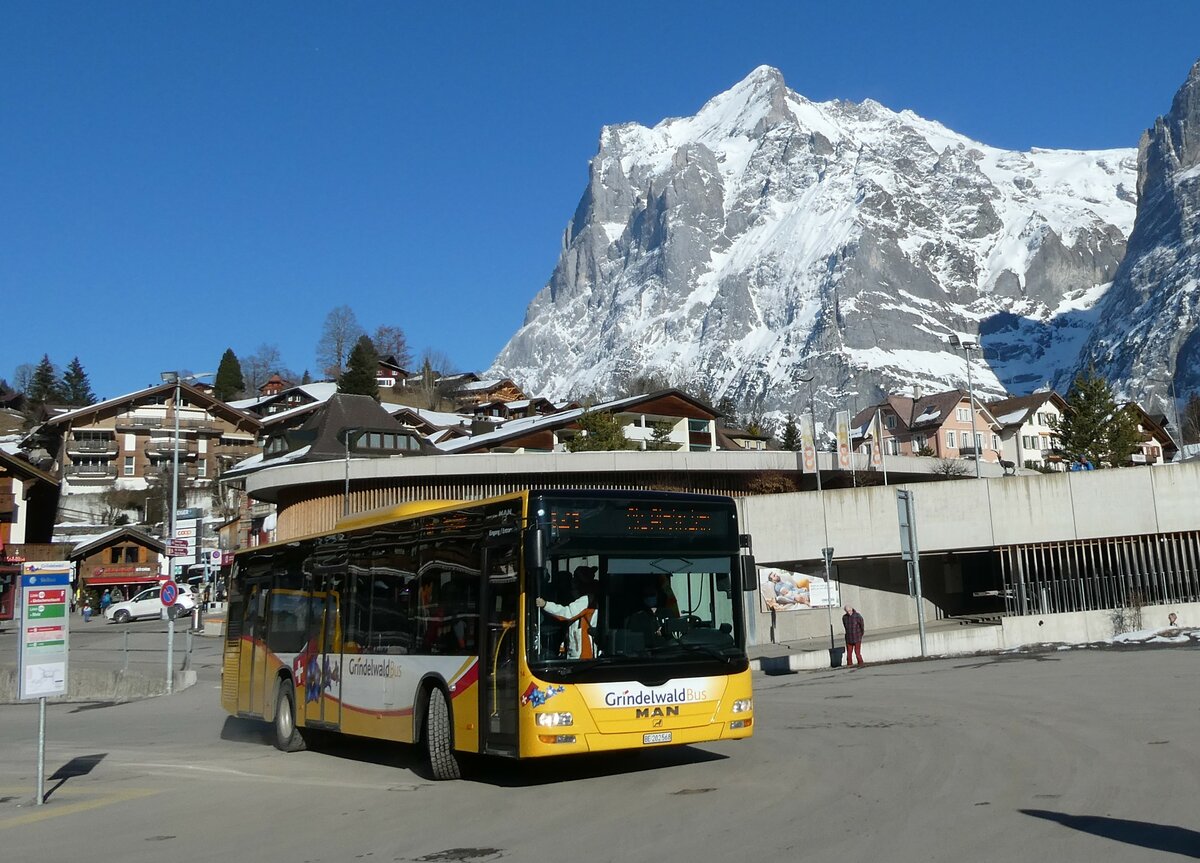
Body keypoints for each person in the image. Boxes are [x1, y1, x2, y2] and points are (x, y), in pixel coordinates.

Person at [536, 566, 598, 659]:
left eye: (575, 580)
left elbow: (567, 614)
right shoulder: (588, 598)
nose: (572, 584)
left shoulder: (587, 600)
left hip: (583, 653)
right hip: (577, 651)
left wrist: (545, 605)